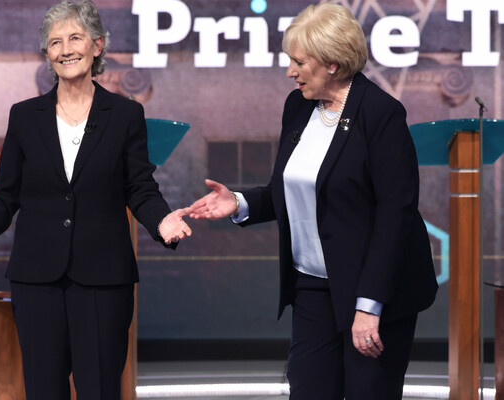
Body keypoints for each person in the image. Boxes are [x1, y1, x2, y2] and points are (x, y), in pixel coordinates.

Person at [0, 1, 191, 399]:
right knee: (43, 390)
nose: (65, 49)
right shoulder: (24, 116)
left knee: (100, 389)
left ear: (97, 45)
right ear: (47, 53)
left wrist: (161, 221)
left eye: (75, 38)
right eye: (55, 42)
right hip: (37, 281)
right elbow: (5, 195)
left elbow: (139, 187)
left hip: (103, 279)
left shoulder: (125, 114)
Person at [187, 3, 438, 400]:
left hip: (372, 291)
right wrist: (239, 202)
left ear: (333, 64)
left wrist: (369, 307)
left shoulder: (380, 114)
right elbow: (291, 188)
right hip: (312, 288)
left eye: (299, 62)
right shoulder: (298, 106)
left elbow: (396, 214)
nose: (291, 71)